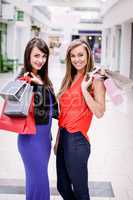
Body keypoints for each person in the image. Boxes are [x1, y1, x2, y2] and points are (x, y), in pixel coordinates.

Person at [54, 39, 106, 200]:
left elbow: (99, 112)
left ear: (88, 55)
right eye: (73, 56)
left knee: (81, 192)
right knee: (62, 186)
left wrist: (84, 90)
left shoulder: (95, 79)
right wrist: (58, 140)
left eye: (81, 55)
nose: (77, 59)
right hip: (63, 137)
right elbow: (63, 114)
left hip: (77, 141)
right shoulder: (69, 78)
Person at [17, 37, 58, 200]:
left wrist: (41, 84)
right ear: (28, 56)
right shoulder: (23, 80)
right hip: (30, 142)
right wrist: (37, 86)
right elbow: (27, 111)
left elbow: (54, 110)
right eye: (36, 56)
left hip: (44, 141)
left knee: (35, 184)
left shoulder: (43, 78)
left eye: (44, 56)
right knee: (39, 185)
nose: (41, 60)